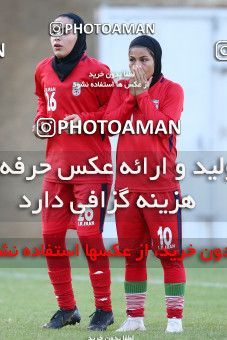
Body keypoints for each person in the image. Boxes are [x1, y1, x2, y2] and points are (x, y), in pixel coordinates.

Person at [32, 12, 114, 331]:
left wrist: (86, 119)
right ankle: (67, 309)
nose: (57, 37)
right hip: (56, 170)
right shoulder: (41, 69)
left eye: (64, 32)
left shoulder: (98, 72)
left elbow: (117, 114)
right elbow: (43, 101)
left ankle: (104, 310)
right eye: (53, 31)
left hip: (91, 170)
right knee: (51, 237)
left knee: (88, 235)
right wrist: (42, 121)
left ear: (78, 36)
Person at [104, 35, 185, 333]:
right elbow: (109, 124)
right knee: (133, 254)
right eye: (132, 60)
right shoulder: (121, 89)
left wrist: (142, 96)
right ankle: (134, 318)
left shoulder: (172, 90)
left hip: (161, 188)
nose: (136, 66)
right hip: (127, 188)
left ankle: (174, 320)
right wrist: (131, 96)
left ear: (156, 61)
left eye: (143, 60)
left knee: (169, 253)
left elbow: (163, 126)